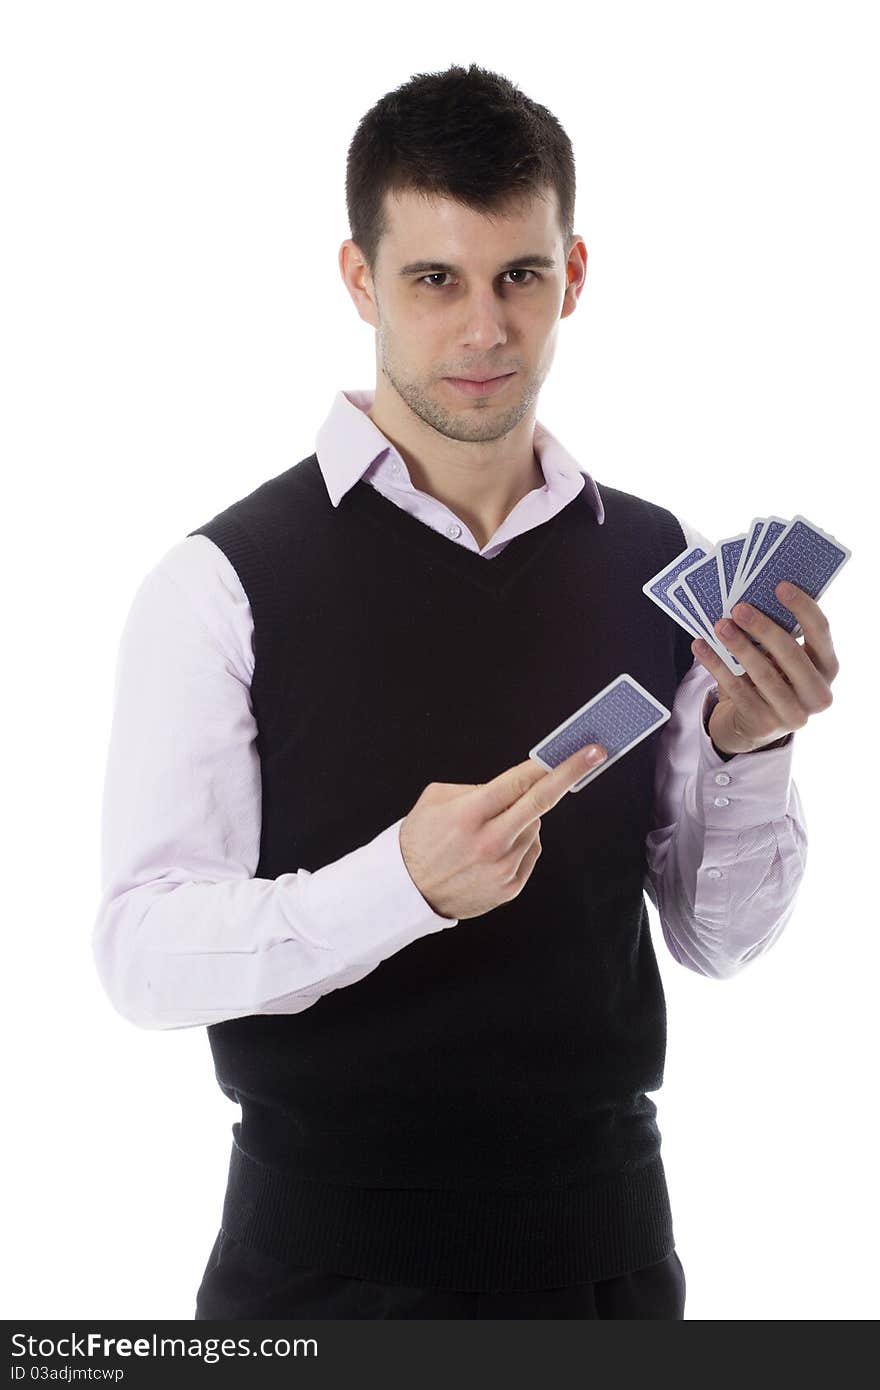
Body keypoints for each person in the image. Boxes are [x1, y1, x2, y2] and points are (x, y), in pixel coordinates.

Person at [92, 63, 838, 1320]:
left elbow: (719, 941)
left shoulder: (661, 561)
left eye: (519, 277)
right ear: (359, 280)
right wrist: (402, 886)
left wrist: (747, 748)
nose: (484, 330)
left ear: (574, 276)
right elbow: (141, 955)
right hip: (318, 1279)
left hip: (614, 1264)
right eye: (436, 279)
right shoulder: (218, 583)